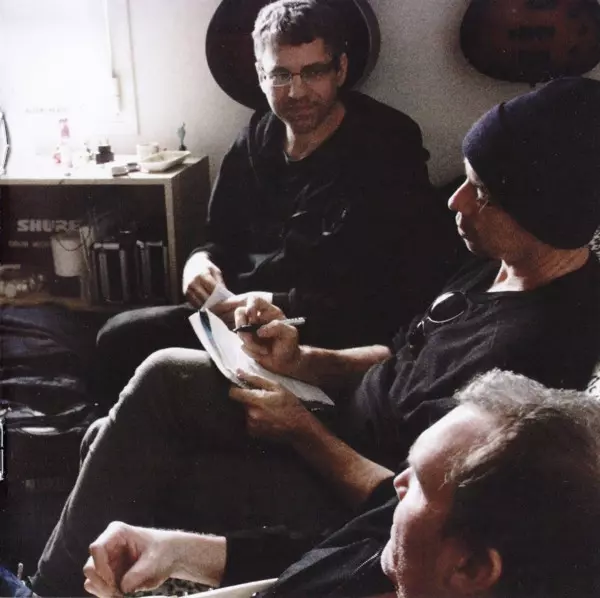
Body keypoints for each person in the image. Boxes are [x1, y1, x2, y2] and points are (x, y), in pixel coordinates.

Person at [31, 76, 600, 597]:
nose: (457, 200)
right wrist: (302, 360)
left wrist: (302, 431)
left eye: (483, 193)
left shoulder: (548, 346)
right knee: (162, 375)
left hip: (351, 489)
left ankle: (51, 590)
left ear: (544, 215)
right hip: (332, 416)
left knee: (124, 447)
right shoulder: (491, 261)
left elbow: (410, 501)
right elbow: (399, 354)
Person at [95, 0, 461, 399]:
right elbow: (218, 236)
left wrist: (271, 302)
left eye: (314, 72)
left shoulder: (387, 144)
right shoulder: (255, 137)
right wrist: (198, 263)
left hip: (325, 332)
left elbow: (388, 290)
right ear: (260, 75)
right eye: (281, 75)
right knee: (118, 336)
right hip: (237, 318)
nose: (297, 92)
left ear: (340, 69)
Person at [81, 370, 600, 598]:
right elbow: (325, 556)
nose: (396, 483)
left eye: (419, 484)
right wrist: (174, 550)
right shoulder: (403, 556)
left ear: (470, 568)